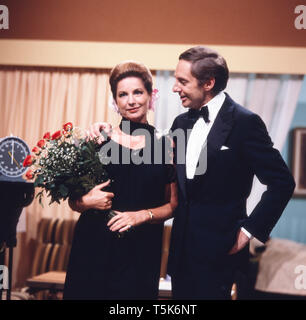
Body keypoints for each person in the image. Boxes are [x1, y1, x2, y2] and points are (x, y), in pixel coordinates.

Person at [166, 46, 296, 299]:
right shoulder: (180, 123)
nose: (174, 88)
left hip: (221, 254)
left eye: (182, 81)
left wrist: (248, 232)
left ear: (208, 83)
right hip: (181, 255)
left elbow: (282, 182)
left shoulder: (245, 123)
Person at [63, 61, 177, 300]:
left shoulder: (167, 145)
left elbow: (173, 205)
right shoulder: (98, 140)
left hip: (141, 250)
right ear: (115, 102)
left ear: (150, 96)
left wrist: (141, 215)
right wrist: (87, 201)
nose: (131, 100)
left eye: (138, 92)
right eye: (122, 95)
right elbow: (73, 202)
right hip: (94, 246)